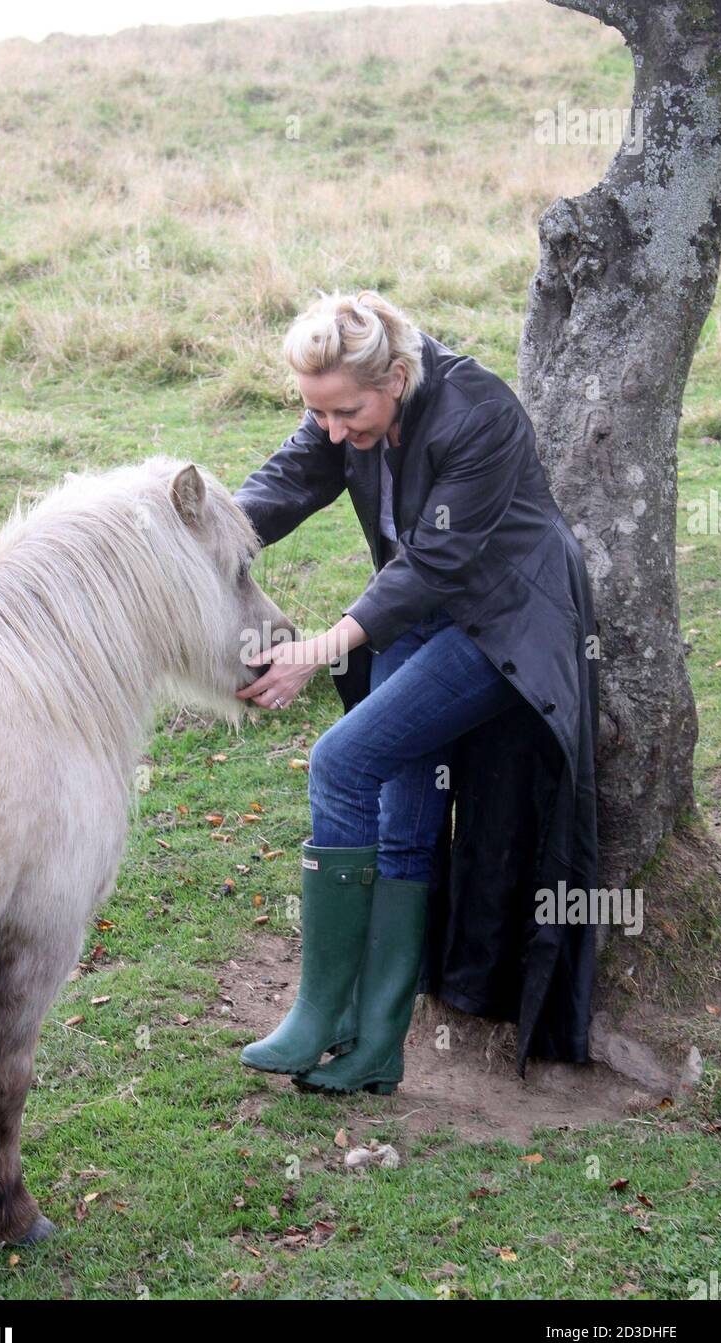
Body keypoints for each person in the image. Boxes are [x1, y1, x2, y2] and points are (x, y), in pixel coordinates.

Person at [231, 288, 598, 1095]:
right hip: (414, 616)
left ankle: (319, 1013)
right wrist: (202, 534)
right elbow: (293, 476)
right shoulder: (345, 405)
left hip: (500, 623)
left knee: (342, 761)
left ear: (396, 376)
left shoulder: (480, 412)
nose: (334, 431)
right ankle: (376, 1046)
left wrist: (315, 651)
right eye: (318, 412)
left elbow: (436, 562)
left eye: (347, 414)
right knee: (402, 814)